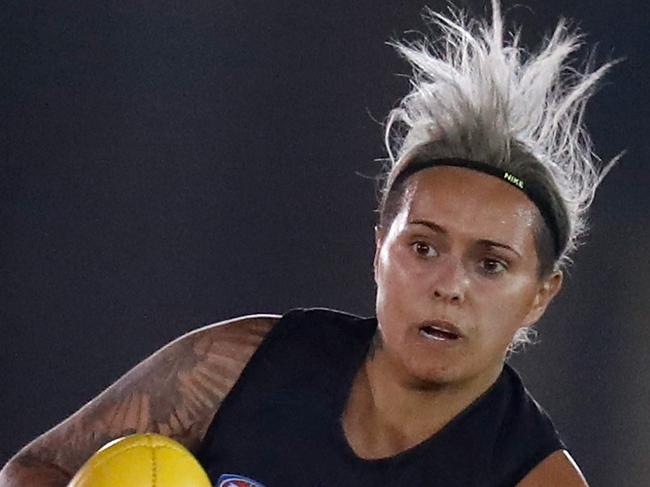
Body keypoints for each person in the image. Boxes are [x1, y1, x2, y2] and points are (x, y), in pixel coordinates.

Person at [1, 0, 618, 485]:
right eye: (423, 247)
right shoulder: (239, 367)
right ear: (379, 248)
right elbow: (32, 472)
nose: (448, 286)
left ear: (540, 295)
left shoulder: (536, 480)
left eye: (490, 263)